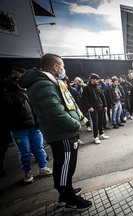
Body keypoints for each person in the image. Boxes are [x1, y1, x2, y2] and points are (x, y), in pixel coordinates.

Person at [18, 54, 92, 212]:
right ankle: (71, 201)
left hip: (60, 133)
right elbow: (56, 113)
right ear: (55, 67)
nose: (64, 69)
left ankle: (66, 193)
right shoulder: (44, 84)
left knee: (64, 166)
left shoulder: (46, 82)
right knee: (65, 167)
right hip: (62, 133)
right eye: (62, 66)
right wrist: (75, 125)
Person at [3, 67, 52, 183]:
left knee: (39, 148)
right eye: (21, 78)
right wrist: (20, 91)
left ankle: (43, 168)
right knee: (25, 152)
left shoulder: (30, 89)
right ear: (14, 79)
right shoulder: (6, 91)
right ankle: (27, 172)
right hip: (18, 128)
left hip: (34, 126)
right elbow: (8, 106)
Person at [82, 73, 109, 144]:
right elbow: (85, 99)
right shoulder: (86, 88)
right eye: (97, 79)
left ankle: (101, 133)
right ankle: (95, 137)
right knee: (95, 123)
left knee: (101, 121)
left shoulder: (98, 87)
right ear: (92, 79)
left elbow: (103, 97)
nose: (98, 81)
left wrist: (105, 106)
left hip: (100, 107)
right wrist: (89, 107)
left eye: (98, 79)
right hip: (93, 109)